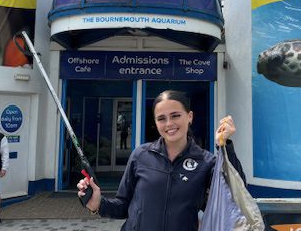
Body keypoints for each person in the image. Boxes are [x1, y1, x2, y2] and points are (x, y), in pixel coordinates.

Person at [77, 90, 245, 231]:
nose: (169, 123)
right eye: (161, 118)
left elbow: (236, 194)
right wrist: (97, 204)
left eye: (175, 115)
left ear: (190, 116)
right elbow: (123, 205)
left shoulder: (206, 162)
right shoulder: (141, 155)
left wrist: (224, 147)